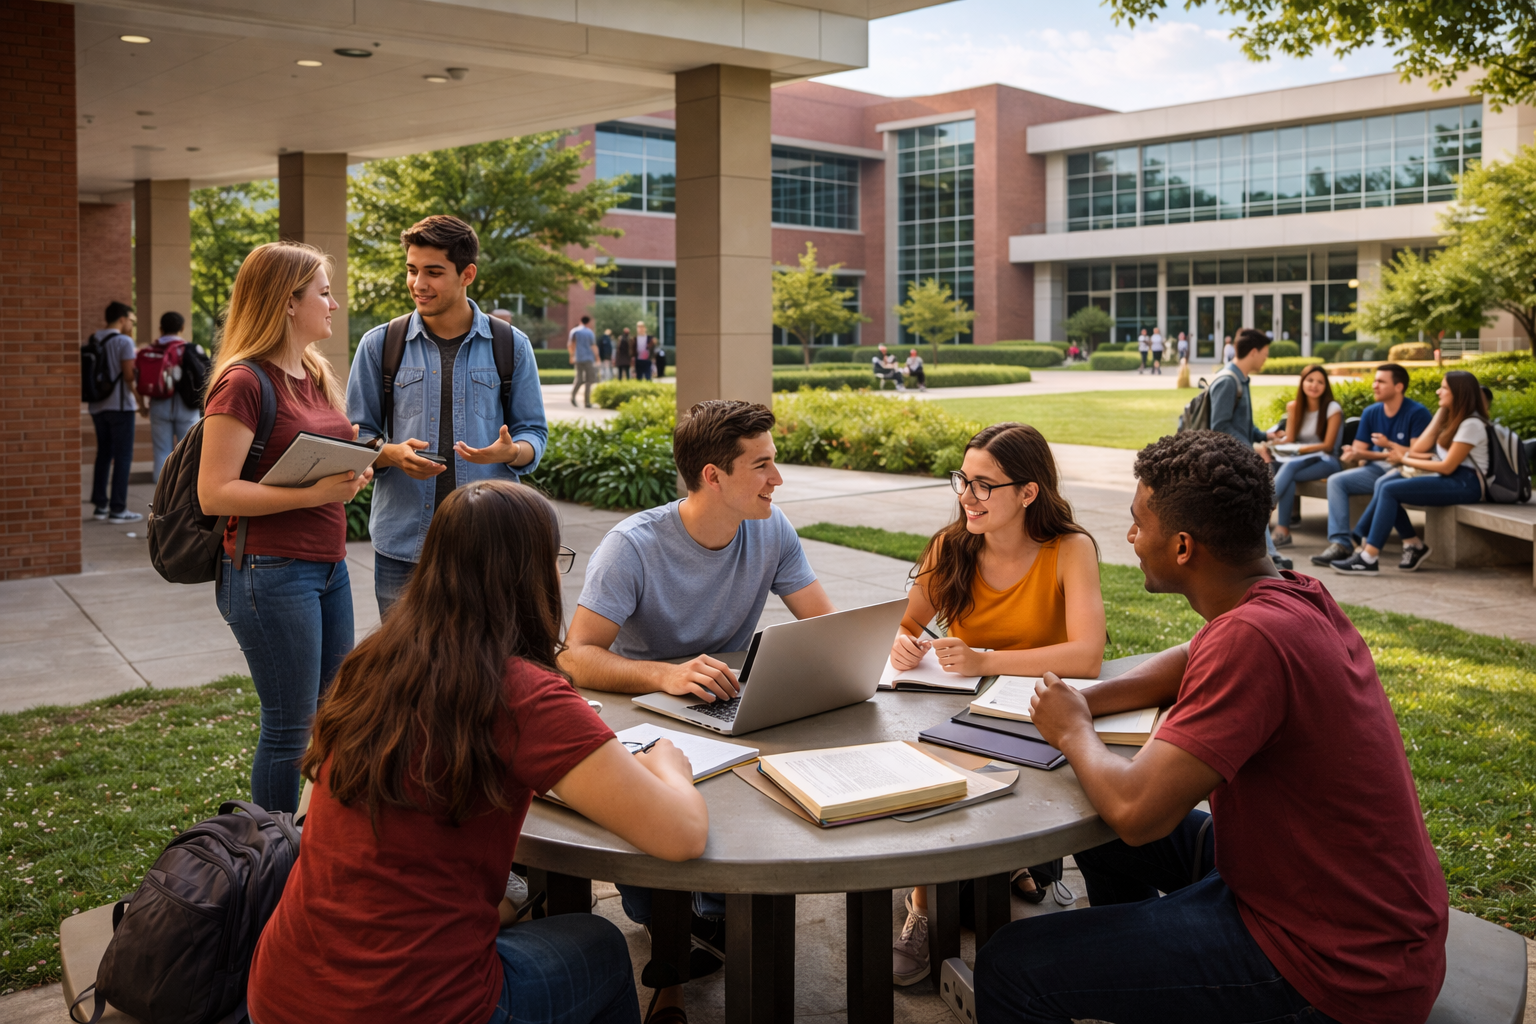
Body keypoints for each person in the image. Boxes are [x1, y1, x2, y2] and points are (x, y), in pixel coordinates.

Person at [975, 429, 1448, 1024]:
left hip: (1335, 964)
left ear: (1182, 547)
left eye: (1138, 524)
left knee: (1011, 965)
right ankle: (1132, 990)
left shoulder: (1252, 640)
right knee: (1104, 836)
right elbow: (1188, 656)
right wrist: (1084, 701)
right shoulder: (1292, 596)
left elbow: (1138, 811)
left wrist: (1072, 731)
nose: (1130, 537)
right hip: (1332, 900)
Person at [248, 479, 709, 1024]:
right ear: (530, 575)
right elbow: (681, 836)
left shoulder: (371, 662)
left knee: (520, 916)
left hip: (282, 990)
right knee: (601, 945)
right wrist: (668, 766)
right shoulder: (522, 692)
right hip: (410, 1007)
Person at [561, 400, 836, 1017]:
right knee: (661, 881)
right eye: (762, 465)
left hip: (728, 707)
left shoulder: (771, 528)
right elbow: (576, 657)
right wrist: (665, 673)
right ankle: (682, 917)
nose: (777, 478)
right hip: (645, 727)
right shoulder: (631, 546)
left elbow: (825, 626)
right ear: (713, 475)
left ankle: (702, 914)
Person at [889, 423, 1106, 986]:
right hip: (956, 713)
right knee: (936, 777)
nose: (967, 495)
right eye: (963, 480)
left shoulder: (1070, 549)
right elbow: (904, 623)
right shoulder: (950, 547)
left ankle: (997, 868)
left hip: (1038, 711)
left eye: (984, 485)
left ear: (1028, 492)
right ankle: (922, 905)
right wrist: (902, 643)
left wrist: (984, 659)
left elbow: (1087, 655)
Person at [199, 242, 373, 813]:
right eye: (324, 292)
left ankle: (317, 840)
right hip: (269, 572)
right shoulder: (243, 382)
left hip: (328, 567)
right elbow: (214, 492)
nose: (334, 304)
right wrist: (316, 493)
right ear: (288, 302)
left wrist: (353, 470)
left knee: (333, 717)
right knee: (289, 728)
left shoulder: (313, 370)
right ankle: (273, 849)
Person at [348, 215, 548, 618]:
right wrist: (389, 454)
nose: (418, 283)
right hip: (403, 546)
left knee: (490, 655)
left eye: (434, 272)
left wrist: (511, 453)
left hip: (489, 543)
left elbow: (533, 432)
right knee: (405, 658)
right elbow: (356, 436)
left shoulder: (511, 345)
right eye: (412, 270)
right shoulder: (379, 345)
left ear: (467, 274)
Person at [1332, 370, 1490, 575]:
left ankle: (1368, 556)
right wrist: (1442, 412)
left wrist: (1403, 459)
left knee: (1389, 490)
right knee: (1384, 483)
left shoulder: (1471, 425)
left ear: (1459, 393)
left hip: (1467, 484)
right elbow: (1419, 449)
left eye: (1444, 388)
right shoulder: (1454, 420)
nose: (1438, 391)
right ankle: (1412, 544)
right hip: (1451, 479)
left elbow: (1447, 466)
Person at [1308, 364, 1434, 569]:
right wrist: (1361, 454)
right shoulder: (1371, 412)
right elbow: (1359, 451)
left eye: (1381, 381)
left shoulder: (1417, 413)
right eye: (1375, 381)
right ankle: (1341, 542)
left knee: (1385, 485)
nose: (1375, 385)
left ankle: (1359, 537)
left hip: (1406, 471)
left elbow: (1416, 453)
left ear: (1399, 387)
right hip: (1375, 469)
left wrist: (1384, 447)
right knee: (1337, 481)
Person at [1209, 329, 1289, 569]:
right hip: (1231, 459)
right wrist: (1252, 451)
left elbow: (1241, 423)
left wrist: (1265, 436)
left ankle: (1268, 556)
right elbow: (1220, 426)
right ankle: (1269, 557)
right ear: (1254, 352)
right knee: (1256, 502)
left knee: (1255, 504)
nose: (1266, 358)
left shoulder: (1241, 379)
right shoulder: (1227, 381)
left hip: (1240, 457)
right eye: (1265, 353)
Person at [1267, 364, 1342, 548]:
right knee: (1280, 471)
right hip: (1299, 461)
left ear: (1325, 386)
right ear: (1302, 382)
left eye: (1320, 382)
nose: (1314, 385)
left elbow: (1328, 445)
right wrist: (1272, 443)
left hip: (1326, 460)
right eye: (1310, 380)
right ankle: (1282, 531)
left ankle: (1263, 508)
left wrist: (1300, 450)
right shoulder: (1295, 407)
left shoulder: (1332, 408)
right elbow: (1290, 439)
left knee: (1289, 468)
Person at [87, 301, 144, 522]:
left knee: (103, 454)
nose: (131, 324)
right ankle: (118, 509)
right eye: (131, 320)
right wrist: (140, 401)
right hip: (120, 406)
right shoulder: (124, 341)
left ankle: (100, 506)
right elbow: (129, 376)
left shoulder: (94, 339)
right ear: (122, 319)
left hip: (97, 406)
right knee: (123, 456)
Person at [145, 311, 202, 483]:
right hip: (187, 405)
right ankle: (185, 491)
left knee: (161, 452)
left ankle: (160, 492)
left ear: (160, 329)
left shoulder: (152, 350)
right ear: (182, 328)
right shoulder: (192, 349)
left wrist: (142, 405)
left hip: (159, 404)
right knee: (189, 453)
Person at [570, 314, 599, 408]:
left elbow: (571, 344)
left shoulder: (574, 331)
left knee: (579, 379)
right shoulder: (589, 332)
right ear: (588, 323)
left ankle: (573, 396)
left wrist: (572, 356)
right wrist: (597, 357)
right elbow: (593, 346)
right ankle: (587, 402)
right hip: (588, 358)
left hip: (578, 358)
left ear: (580, 321)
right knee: (589, 380)